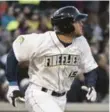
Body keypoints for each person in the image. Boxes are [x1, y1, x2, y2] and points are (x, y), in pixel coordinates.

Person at [6, 6, 98, 112]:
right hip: (39, 94)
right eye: (78, 22)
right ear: (67, 25)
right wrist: (12, 85)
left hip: (62, 98)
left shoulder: (81, 42)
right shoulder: (42, 41)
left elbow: (90, 68)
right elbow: (14, 53)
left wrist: (91, 85)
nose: (81, 24)